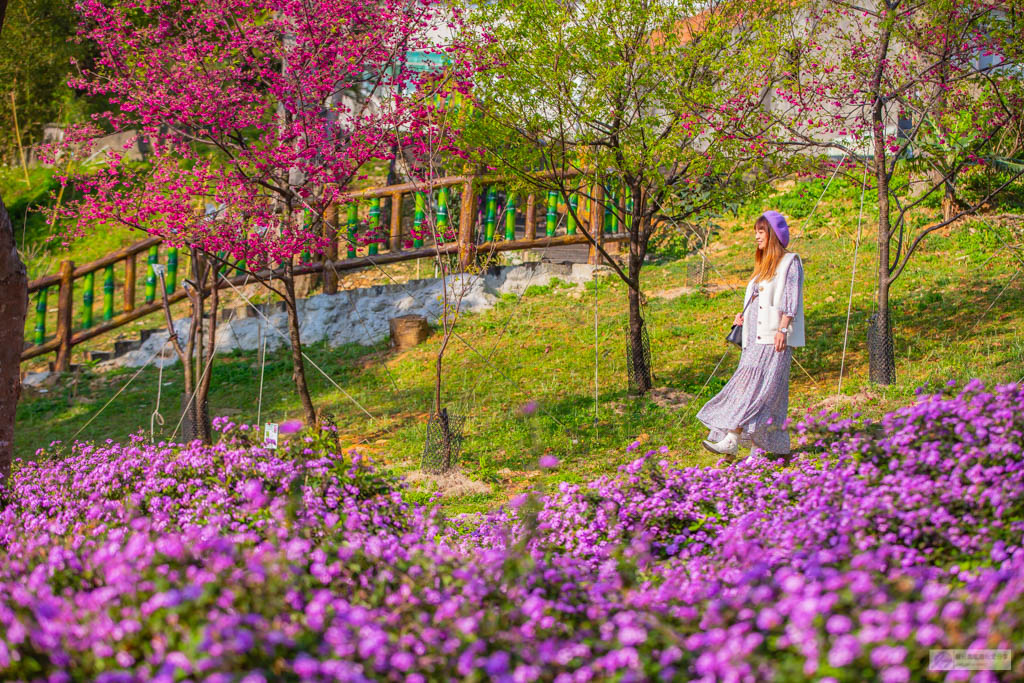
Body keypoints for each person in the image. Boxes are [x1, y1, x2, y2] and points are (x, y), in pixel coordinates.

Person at [696, 210, 804, 459]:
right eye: (755, 231)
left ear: (774, 234)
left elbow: (791, 297)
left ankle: (741, 442)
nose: (756, 236)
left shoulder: (790, 262)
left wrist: (783, 328)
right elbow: (757, 299)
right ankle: (741, 443)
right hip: (753, 338)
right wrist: (742, 317)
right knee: (749, 388)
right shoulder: (763, 266)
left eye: (761, 231)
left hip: (773, 337)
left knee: (766, 393)